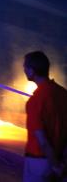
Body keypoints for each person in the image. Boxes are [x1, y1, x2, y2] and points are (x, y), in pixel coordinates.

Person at [23, 51, 67, 182]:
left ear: (32, 71)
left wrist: (55, 167)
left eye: (25, 67)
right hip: (61, 158)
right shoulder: (63, 93)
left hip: (39, 162)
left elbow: (42, 141)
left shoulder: (34, 102)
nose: (24, 70)